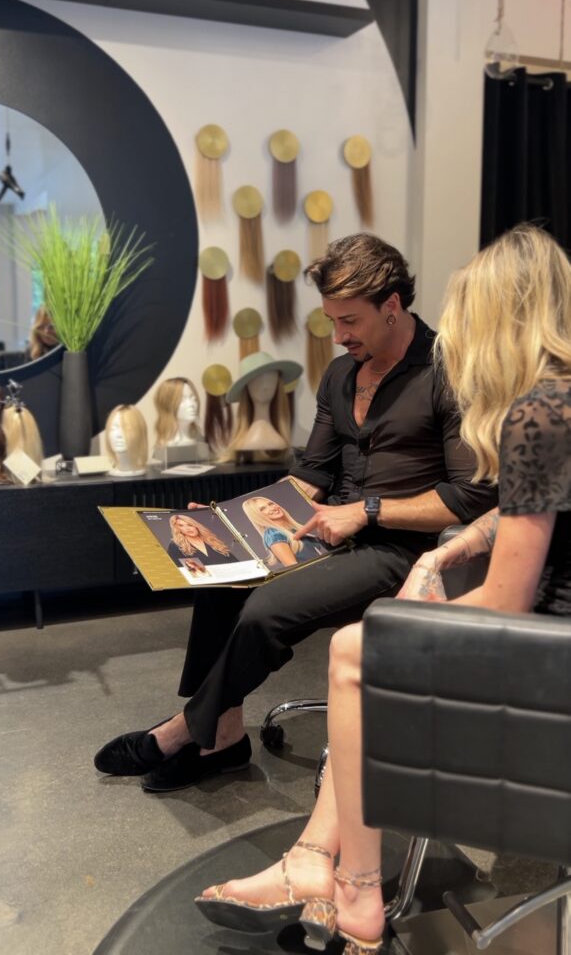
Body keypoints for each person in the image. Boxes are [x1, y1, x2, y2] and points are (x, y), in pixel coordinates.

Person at [194, 224, 571, 953]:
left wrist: (420, 584)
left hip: (547, 668)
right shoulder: (559, 404)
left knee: (356, 654)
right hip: (544, 643)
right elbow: (522, 508)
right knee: (369, 650)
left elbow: (508, 599)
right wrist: (454, 550)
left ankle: (356, 889)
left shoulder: (537, 414)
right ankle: (312, 861)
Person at [94, 232, 496, 791]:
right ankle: (222, 738)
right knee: (219, 579)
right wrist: (228, 518)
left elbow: (471, 496)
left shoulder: (448, 372)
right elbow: (311, 478)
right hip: (331, 532)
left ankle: (181, 732)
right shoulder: (341, 375)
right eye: (331, 321)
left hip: (401, 548)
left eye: (349, 321)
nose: (339, 335)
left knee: (265, 609)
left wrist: (366, 511)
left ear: (392, 306)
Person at [241, 495, 326, 566]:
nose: (272, 508)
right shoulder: (273, 533)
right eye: (263, 509)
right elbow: (293, 567)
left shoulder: (291, 529)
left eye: (271, 504)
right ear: (257, 516)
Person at [167, 514, 238, 566]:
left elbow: (235, 562)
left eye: (190, 525)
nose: (187, 528)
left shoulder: (211, 540)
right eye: (181, 525)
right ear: (178, 529)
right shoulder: (175, 545)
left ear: (195, 525)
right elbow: (177, 569)